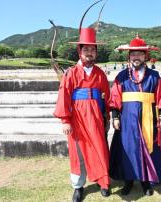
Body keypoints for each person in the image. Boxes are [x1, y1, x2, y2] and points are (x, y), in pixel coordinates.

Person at [109, 34, 161, 196]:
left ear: (146, 55)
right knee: (129, 149)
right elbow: (115, 96)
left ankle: (146, 182)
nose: (136, 56)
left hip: (148, 117)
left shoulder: (154, 76)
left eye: (139, 53)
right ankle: (128, 181)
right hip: (127, 119)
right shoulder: (122, 76)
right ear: (129, 56)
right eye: (133, 53)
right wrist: (115, 116)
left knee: (148, 148)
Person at [53, 27, 111, 202]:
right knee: (78, 154)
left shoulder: (100, 74)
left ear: (96, 53)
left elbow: (106, 96)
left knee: (100, 150)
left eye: (92, 50)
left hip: (96, 120)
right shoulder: (70, 74)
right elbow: (64, 96)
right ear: (80, 51)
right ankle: (78, 186)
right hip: (77, 120)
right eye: (86, 49)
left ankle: (103, 182)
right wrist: (65, 120)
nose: (89, 53)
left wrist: (108, 116)